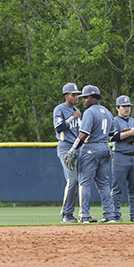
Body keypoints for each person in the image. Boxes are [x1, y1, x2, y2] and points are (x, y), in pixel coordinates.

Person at [64, 85, 116, 223]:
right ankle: (110, 215)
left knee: (85, 184)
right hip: (105, 148)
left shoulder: (89, 112)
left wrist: (73, 149)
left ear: (94, 98)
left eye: (86, 97)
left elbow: (83, 134)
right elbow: (112, 134)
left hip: (90, 149)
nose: (83, 100)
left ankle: (85, 216)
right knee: (104, 184)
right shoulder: (107, 112)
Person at [109, 95, 134, 222]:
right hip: (120, 157)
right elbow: (113, 137)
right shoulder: (114, 121)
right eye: (124, 106)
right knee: (117, 189)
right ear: (117, 108)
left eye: (128, 106)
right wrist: (129, 133)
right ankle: (115, 215)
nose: (126, 108)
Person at [53, 83, 83, 224]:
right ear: (66, 96)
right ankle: (66, 214)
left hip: (77, 148)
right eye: (73, 95)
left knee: (79, 181)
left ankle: (81, 213)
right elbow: (59, 128)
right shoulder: (60, 109)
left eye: (77, 94)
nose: (76, 97)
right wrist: (73, 117)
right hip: (65, 148)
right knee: (72, 180)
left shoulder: (77, 110)